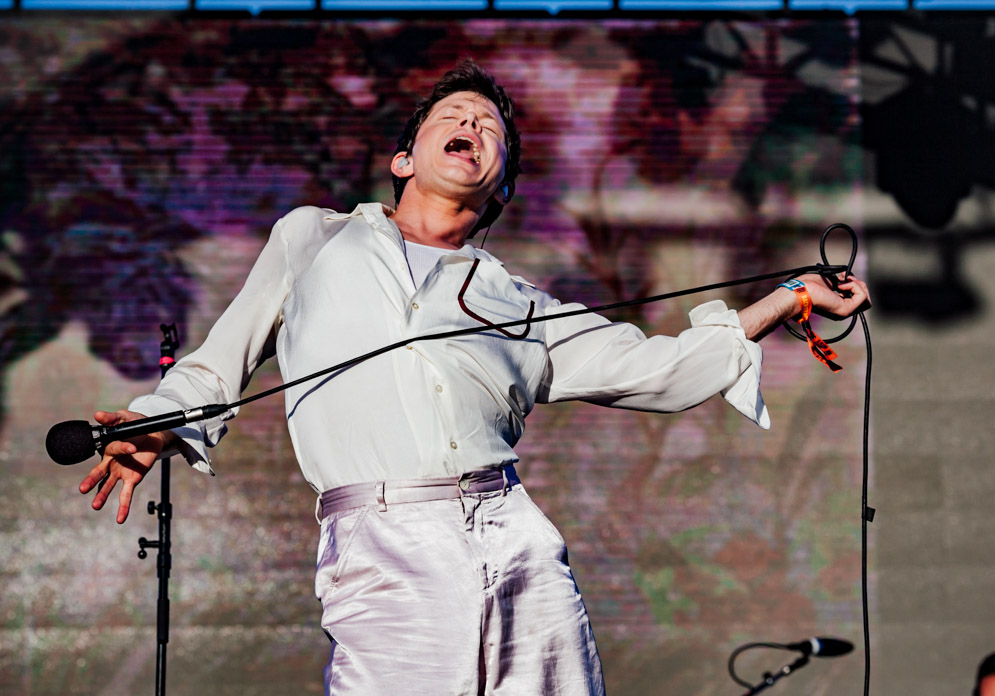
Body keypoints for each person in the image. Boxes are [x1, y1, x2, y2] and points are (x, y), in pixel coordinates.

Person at [77, 61, 870, 695]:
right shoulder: (315, 239)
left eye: (488, 126)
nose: (471, 125)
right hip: (379, 542)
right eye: (451, 117)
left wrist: (790, 297)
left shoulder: (518, 302)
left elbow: (660, 369)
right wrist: (160, 421)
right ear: (403, 157)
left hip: (515, 538)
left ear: (500, 187)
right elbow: (222, 360)